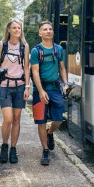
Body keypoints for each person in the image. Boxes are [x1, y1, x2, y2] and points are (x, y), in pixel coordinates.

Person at [0, 18, 30, 164]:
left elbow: (26, 68)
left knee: (16, 119)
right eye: (14, 28)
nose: (17, 30)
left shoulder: (24, 46)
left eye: (19, 28)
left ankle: (13, 149)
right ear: (9, 30)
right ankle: (4, 146)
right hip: (4, 86)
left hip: (19, 86)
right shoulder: (2, 45)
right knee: (7, 119)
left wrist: (27, 87)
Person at [30, 21, 68, 165]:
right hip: (40, 89)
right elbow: (35, 71)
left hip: (55, 88)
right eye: (45, 29)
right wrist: (40, 91)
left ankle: (50, 132)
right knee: (41, 121)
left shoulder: (58, 49)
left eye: (50, 29)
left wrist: (65, 84)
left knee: (58, 120)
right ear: (40, 33)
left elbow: (62, 68)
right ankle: (45, 150)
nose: (48, 31)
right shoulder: (36, 51)